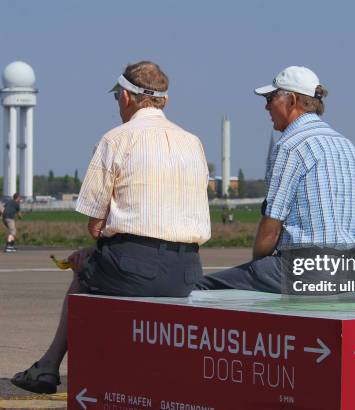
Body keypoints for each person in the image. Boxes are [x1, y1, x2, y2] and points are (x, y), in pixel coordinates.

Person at [11, 61, 211, 394]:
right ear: (165, 101)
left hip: (135, 268)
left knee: (85, 269)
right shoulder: (194, 143)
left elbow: (95, 226)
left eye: (117, 95)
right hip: (190, 272)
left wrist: (93, 252)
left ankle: (49, 366)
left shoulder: (116, 140)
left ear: (128, 97)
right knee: (103, 259)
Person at [196, 66, 355, 293]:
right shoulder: (346, 145)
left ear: (292, 100)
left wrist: (257, 265)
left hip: (305, 269)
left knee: (202, 288)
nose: (266, 106)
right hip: (352, 268)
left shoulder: (291, 145)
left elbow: (271, 229)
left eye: (270, 98)